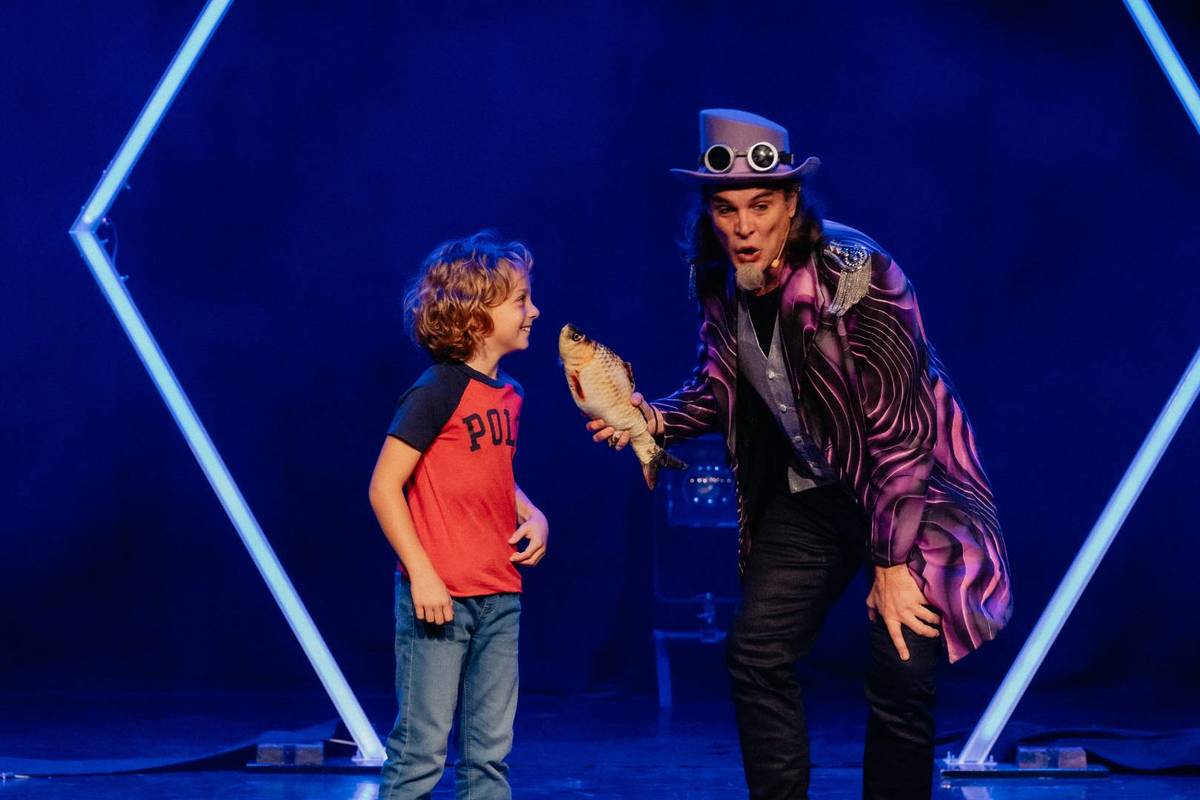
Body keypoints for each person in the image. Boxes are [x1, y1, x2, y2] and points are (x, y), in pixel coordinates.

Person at [587, 109, 1012, 800]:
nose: (743, 226)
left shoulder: (857, 272)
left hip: (910, 496)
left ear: (791, 204)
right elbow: (721, 386)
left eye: (760, 206)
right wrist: (651, 419)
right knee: (756, 653)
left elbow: (901, 431)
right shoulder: (721, 281)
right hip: (815, 491)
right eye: (727, 209)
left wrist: (890, 562)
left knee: (901, 666)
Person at [369, 231, 549, 800]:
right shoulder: (435, 391)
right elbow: (385, 486)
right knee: (421, 751)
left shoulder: (510, 394)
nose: (534, 311)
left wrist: (533, 513)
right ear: (476, 316)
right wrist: (422, 573)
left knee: (489, 755)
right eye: (520, 300)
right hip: (440, 599)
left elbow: (488, 471)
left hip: (500, 594)